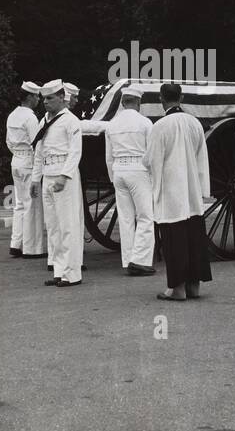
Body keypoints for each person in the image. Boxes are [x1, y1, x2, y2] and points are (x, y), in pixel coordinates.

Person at [146, 82, 212, 301]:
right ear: (181, 98)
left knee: (174, 238)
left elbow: (153, 161)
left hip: (171, 191)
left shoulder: (161, 126)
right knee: (194, 235)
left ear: (161, 99)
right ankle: (194, 285)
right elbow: (202, 158)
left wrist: (154, 189)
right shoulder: (194, 123)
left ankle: (177, 288)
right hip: (191, 190)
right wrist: (202, 188)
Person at [81, 84, 155, 275]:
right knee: (146, 216)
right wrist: (152, 176)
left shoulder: (113, 124)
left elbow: (109, 156)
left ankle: (127, 260)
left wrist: (113, 177)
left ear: (122, 102)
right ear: (138, 102)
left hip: (119, 171)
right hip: (138, 170)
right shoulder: (145, 123)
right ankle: (142, 261)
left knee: (126, 218)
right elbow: (151, 154)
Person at [29, 80, 83, 287]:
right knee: (53, 226)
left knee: (67, 225)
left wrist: (64, 176)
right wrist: (36, 178)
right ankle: (59, 271)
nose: (46, 102)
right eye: (44, 99)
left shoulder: (70, 121)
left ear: (62, 97)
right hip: (47, 174)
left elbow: (75, 151)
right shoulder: (44, 121)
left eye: (50, 98)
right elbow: (38, 151)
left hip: (63, 176)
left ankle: (72, 274)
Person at [5, 82, 41, 257]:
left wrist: (18, 153)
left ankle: (15, 243)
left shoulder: (12, 115)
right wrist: (37, 166)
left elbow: (8, 142)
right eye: (36, 96)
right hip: (28, 160)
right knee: (30, 205)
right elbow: (36, 144)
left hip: (16, 160)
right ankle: (29, 248)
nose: (38, 99)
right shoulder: (30, 117)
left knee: (19, 204)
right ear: (29, 97)